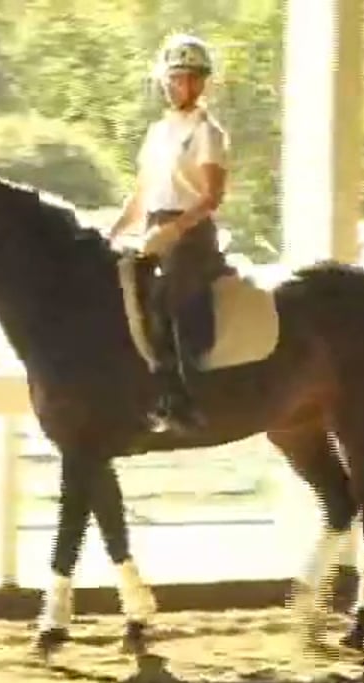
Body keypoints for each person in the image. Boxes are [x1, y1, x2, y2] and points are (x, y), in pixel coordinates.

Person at [108, 33, 231, 434]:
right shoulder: (158, 133)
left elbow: (211, 197)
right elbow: (142, 195)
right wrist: (111, 232)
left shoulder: (207, 133)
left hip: (190, 233)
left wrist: (172, 231)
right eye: (176, 78)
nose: (183, 85)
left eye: (192, 78)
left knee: (169, 294)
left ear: (202, 82)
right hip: (153, 227)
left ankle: (182, 395)